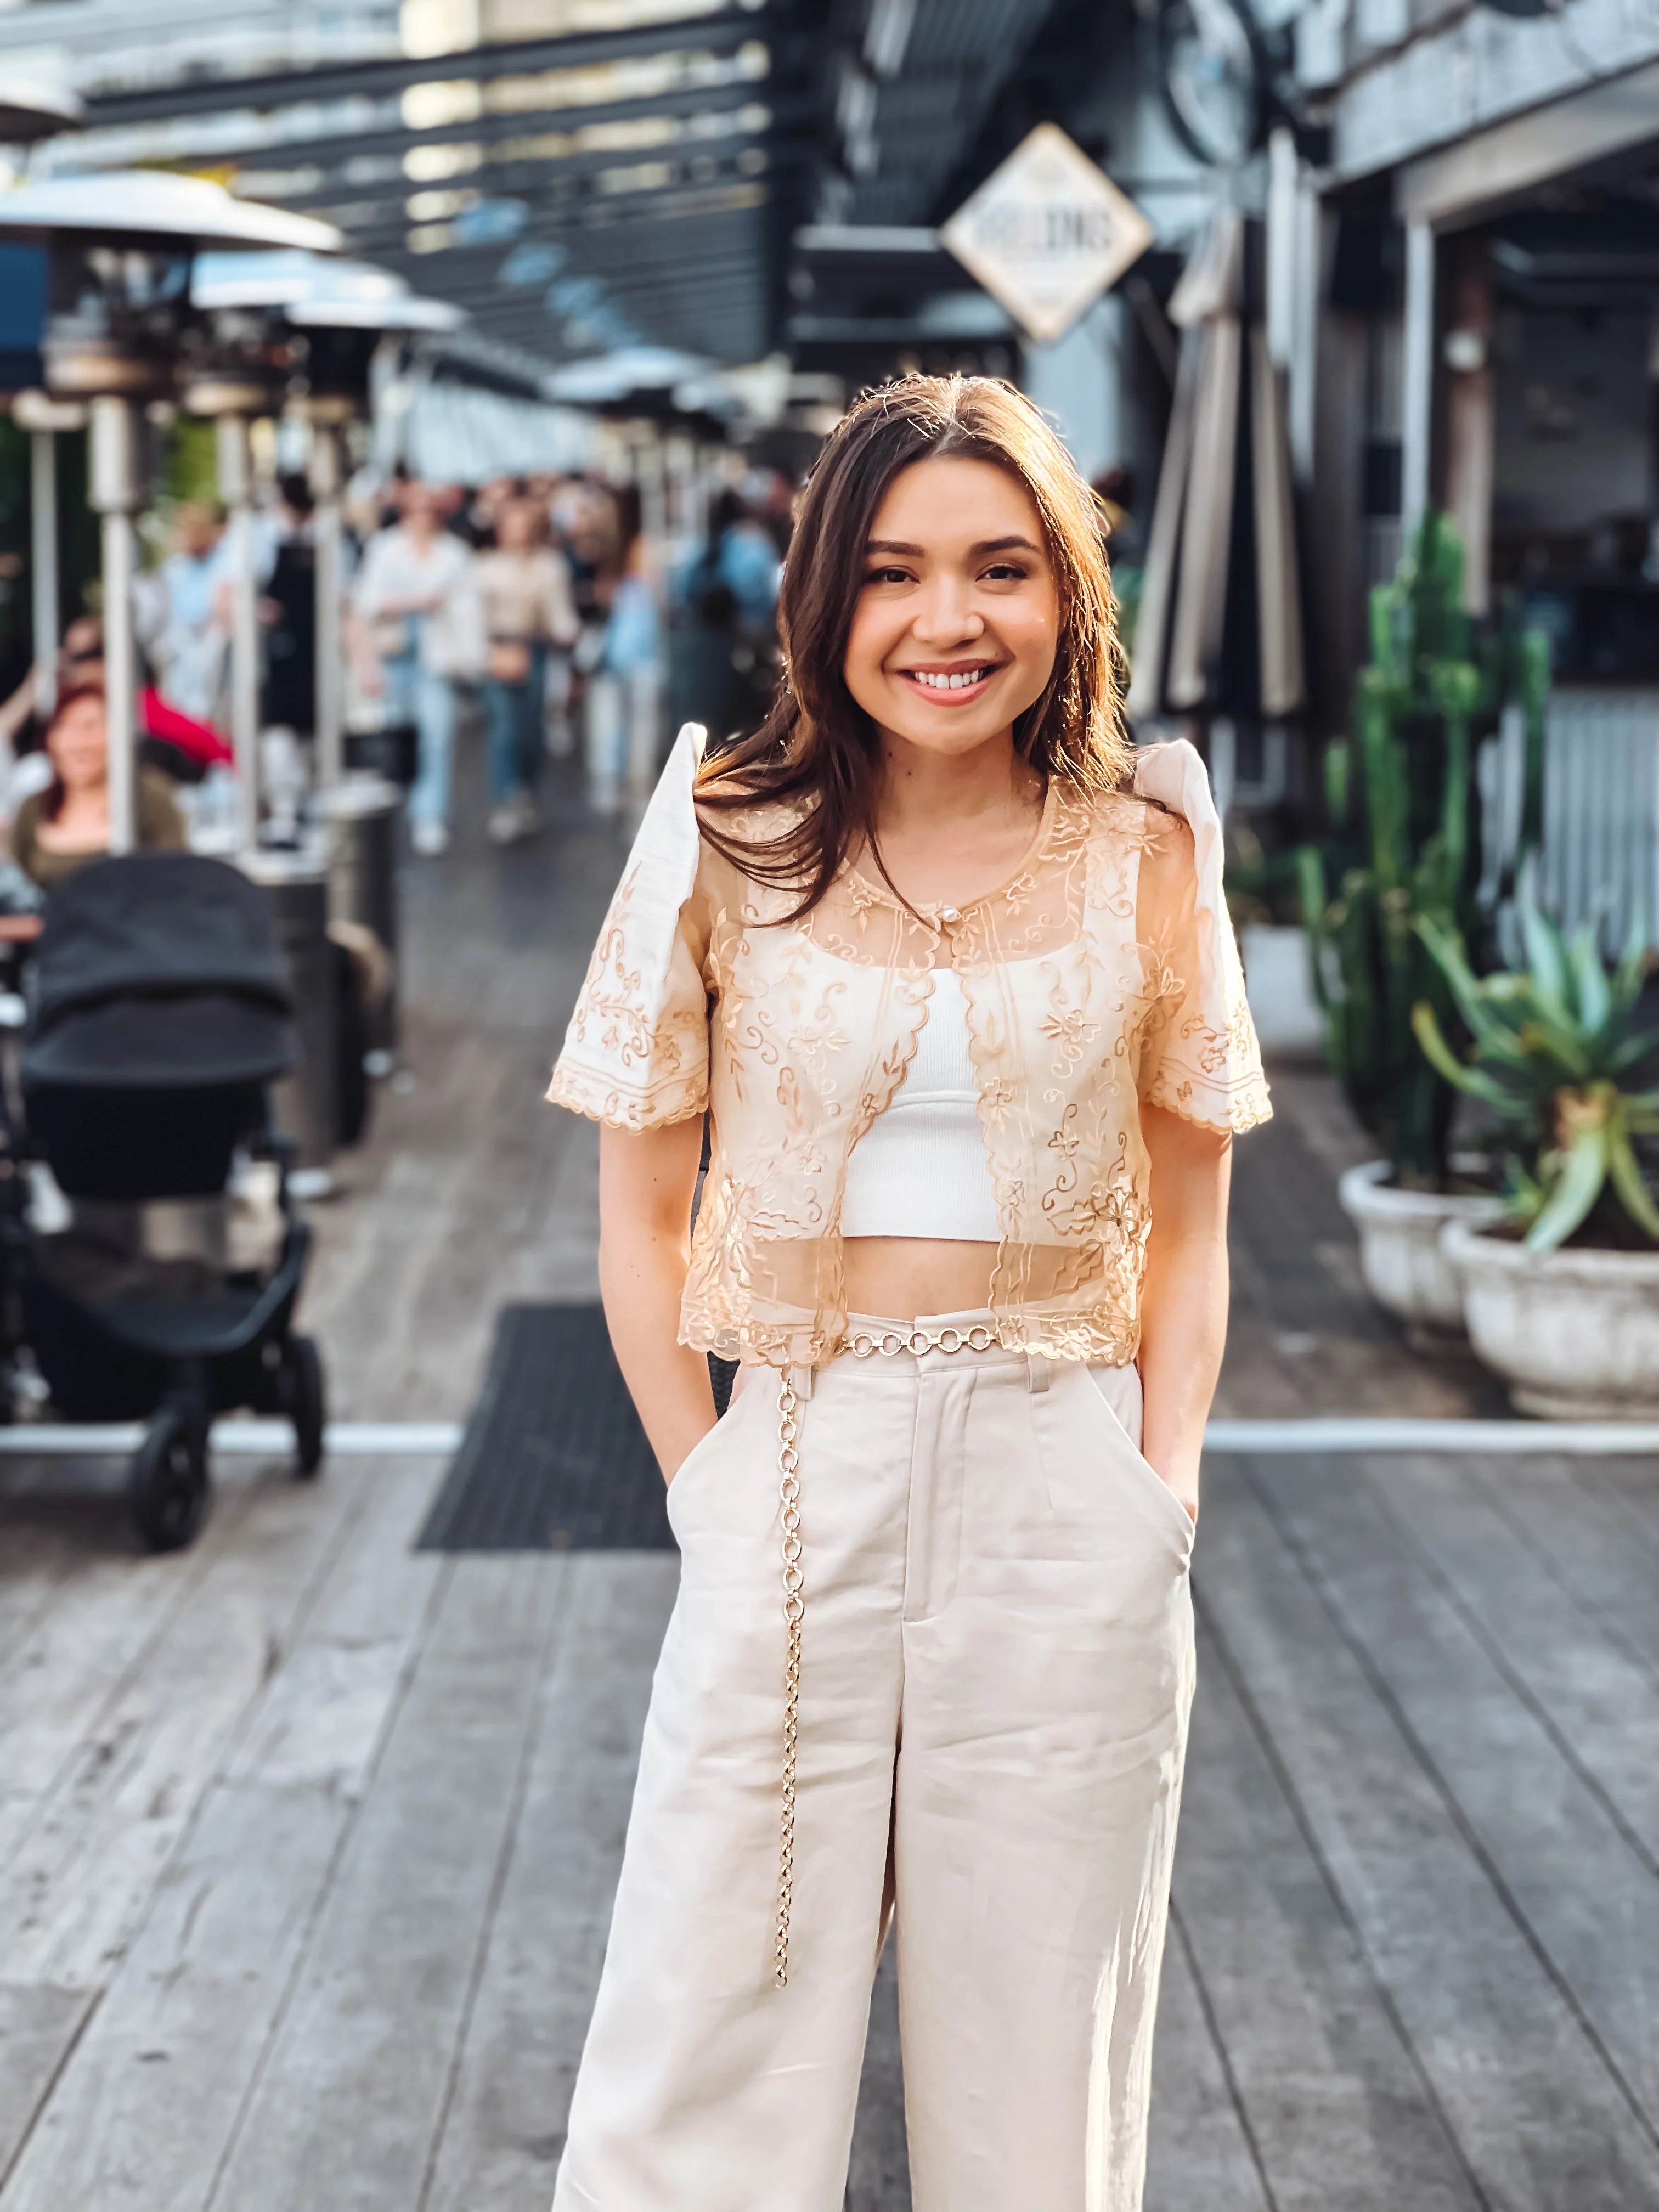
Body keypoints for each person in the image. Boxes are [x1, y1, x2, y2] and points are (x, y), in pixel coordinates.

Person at [544, 375, 1270, 2210]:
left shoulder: (1150, 849)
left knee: (1040, 2045)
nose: (948, 623)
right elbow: (638, 1205)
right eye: (893, 574)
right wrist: (700, 1479)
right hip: (793, 1467)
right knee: (701, 2022)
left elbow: (1194, 1210)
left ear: (1065, 595)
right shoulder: (722, 831)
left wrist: (1155, 1485)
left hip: (1061, 1470)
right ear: (823, 598)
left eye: (999, 569)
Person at [351, 481, 483, 856]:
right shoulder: (386, 549)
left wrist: (470, 658)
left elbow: (468, 611)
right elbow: (367, 603)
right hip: (394, 658)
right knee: (396, 738)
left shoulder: (454, 554)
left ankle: (430, 813)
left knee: (437, 737)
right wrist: (414, 603)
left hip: (436, 660)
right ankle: (397, 806)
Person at [12, 684, 186, 891]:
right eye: (64, 726)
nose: (78, 743)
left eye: (91, 726)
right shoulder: (34, 808)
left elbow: (175, 877)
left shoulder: (150, 800)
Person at [475, 496, 579, 844]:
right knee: (504, 727)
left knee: (531, 729)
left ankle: (527, 790)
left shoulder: (548, 565)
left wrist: (568, 633)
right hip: (496, 650)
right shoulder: (485, 567)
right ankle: (509, 798)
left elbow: (559, 612)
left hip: (534, 649)